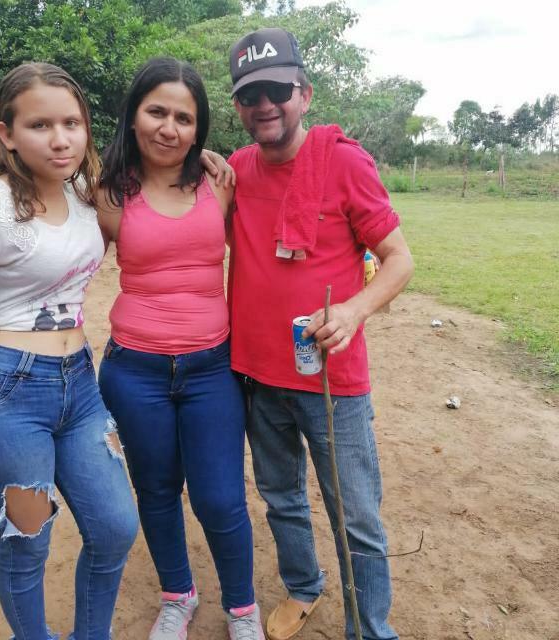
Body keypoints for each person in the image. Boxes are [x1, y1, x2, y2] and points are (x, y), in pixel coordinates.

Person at [0, 63, 139, 639]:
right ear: (7, 134)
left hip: (80, 387)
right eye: (40, 125)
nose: (60, 139)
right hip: (8, 397)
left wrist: (206, 158)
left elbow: (156, 180)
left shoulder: (83, 195)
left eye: (72, 123)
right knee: (27, 544)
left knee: (115, 528)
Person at [226, 28, 414, 640]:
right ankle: (304, 586)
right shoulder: (235, 171)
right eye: (250, 96)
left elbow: (399, 260)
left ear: (304, 94)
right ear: (239, 107)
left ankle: (370, 628)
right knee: (281, 498)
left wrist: (354, 310)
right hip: (257, 376)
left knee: (355, 517)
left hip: (333, 381)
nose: (265, 105)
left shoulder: (344, 162)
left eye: (278, 91)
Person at [95, 57, 263, 640]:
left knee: (220, 498)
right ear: (133, 116)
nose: (169, 128)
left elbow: (264, 246)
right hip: (133, 371)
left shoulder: (219, 182)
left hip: (211, 369)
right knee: (157, 490)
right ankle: (177, 596)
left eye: (184, 118)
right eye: (157, 112)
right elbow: (59, 262)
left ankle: (242, 609)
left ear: (199, 129)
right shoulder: (107, 194)